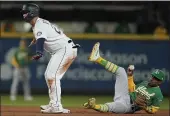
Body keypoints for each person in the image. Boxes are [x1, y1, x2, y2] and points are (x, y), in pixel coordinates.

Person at [20, 3, 79, 113]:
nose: (23, 15)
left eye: (25, 12)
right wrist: (36, 39)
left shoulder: (38, 25)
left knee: (52, 75)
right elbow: (43, 35)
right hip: (64, 49)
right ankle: (54, 104)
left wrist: (39, 52)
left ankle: (56, 106)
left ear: (32, 13)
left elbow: (41, 39)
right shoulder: (39, 23)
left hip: (65, 50)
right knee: (50, 75)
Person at [83, 42, 165, 114]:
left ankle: (93, 106)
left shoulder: (158, 94)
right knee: (121, 71)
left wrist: (144, 107)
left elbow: (153, 110)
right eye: (153, 77)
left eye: (156, 79)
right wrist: (130, 76)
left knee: (112, 106)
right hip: (125, 95)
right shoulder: (145, 83)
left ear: (160, 82)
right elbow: (131, 89)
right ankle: (97, 58)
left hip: (128, 107)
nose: (153, 79)